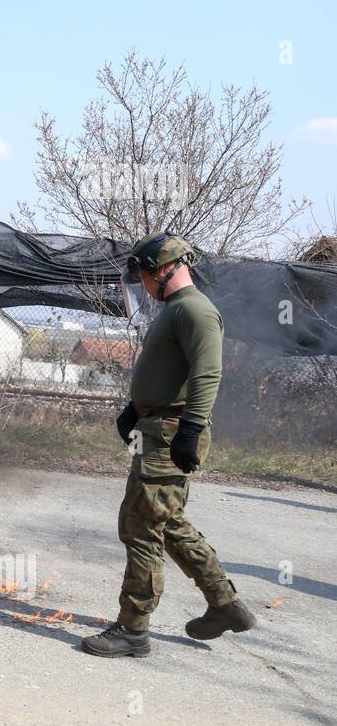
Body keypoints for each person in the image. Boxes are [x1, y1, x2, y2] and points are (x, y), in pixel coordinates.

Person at [82, 232, 255, 658]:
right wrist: (134, 408)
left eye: (143, 276)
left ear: (163, 269)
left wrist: (191, 430)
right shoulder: (176, 310)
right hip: (155, 427)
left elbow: (207, 373)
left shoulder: (196, 310)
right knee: (165, 521)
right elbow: (166, 372)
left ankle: (132, 629)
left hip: (170, 434)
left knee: (141, 527)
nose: (142, 285)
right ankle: (225, 604)